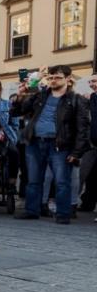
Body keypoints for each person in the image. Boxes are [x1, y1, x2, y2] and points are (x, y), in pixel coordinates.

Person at [12, 65, 90, 224]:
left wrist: (76, 153)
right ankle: (31, 210)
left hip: (59, 145)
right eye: (51, 78)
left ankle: (63, 214)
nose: (53, 80)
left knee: (62, 181)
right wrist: (19, 97)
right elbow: (18, 111)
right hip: (34, 142)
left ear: (68, 80)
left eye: (58, 77)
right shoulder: (40, 96)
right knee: (33, 180)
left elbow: (83, 128)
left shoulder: (76, 100)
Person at [78, 73, 97, 217]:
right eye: (90, 81)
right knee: (88, 175)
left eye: (94, 81)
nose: (92, 84)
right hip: (91, 143)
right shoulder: (90, 98)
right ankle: (87, 203)